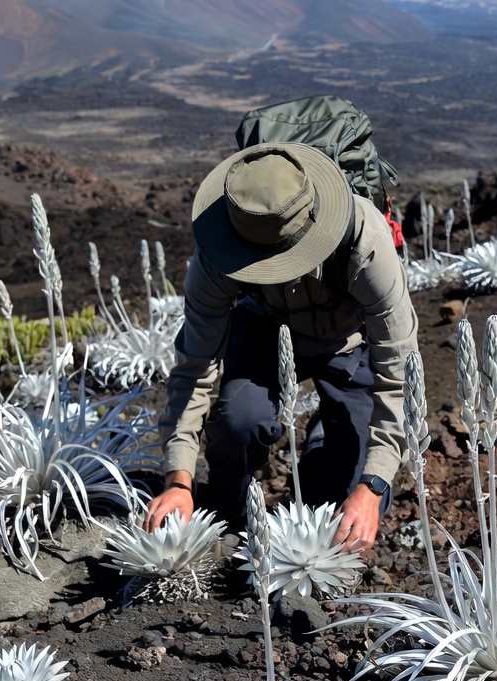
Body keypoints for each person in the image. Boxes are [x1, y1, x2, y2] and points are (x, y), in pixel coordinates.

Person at [143, 141, 419, 551]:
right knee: (239, 421)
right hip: (265, 327)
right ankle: (229, 509)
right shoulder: (218, 253)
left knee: (349, 500)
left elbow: (399, 372)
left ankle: (326, 436)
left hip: (346, 337)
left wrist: (373, 485)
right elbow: (195, 368)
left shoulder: (365, 240)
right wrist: (178, 479)